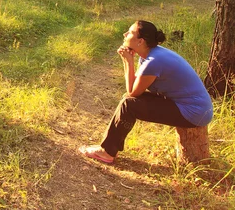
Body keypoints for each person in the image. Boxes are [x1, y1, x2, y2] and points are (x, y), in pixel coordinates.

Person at [79, 20, 213, 164]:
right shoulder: (150, 55)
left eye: (130, 32)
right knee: (128, 101)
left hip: (194, 112)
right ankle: (109, 148)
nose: (125, 34)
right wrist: (128, 61)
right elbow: (135, 86)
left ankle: (107, 152)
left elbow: (132, 92)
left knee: (128, 104)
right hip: (187, 105)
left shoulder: (153, 61)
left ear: (140, 41)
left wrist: (128, 61)